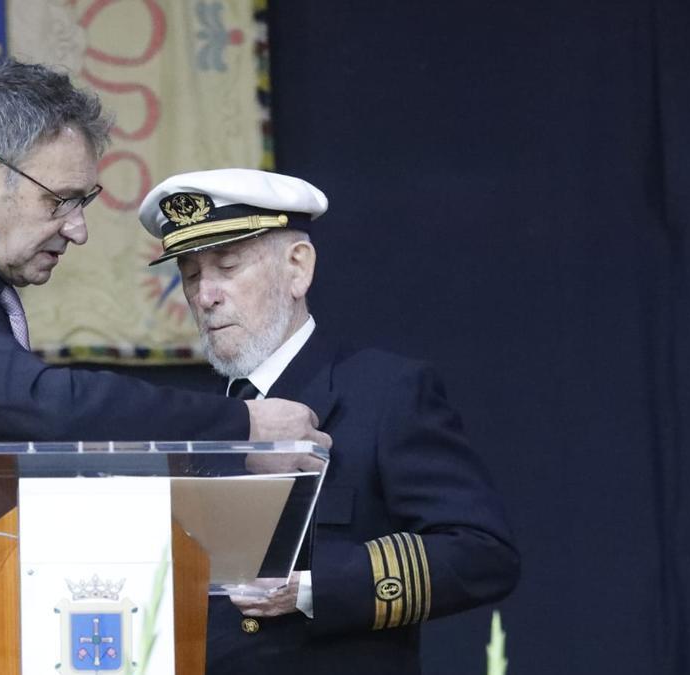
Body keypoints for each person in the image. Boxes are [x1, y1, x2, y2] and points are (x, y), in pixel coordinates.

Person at [0, 60, 329, 675]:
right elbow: (40, 406)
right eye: (61, 202)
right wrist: (244, 427)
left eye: (84, 203)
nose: (77, 230)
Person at [138, 168, 521, 674]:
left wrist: (312, 589)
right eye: (190, 274)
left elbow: (482, 553)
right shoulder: (196, 422)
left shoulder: (385, 393)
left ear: (297, 268)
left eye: (227, 266)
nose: (205, 296)